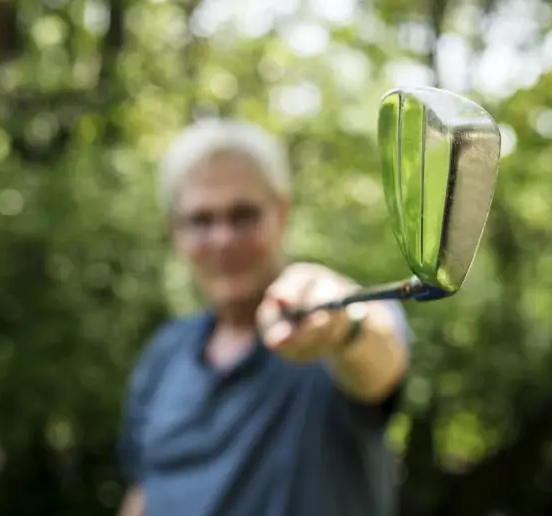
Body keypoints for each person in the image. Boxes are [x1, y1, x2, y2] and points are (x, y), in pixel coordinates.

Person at [117, 119, 412, 516]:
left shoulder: (327, 320)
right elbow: (145, 490)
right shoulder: (164, 355)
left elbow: (380, 360)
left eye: (244, 215)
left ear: (281, 213)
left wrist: (343, 325)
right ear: (176, 231)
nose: (223, 239)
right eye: (201, 220)